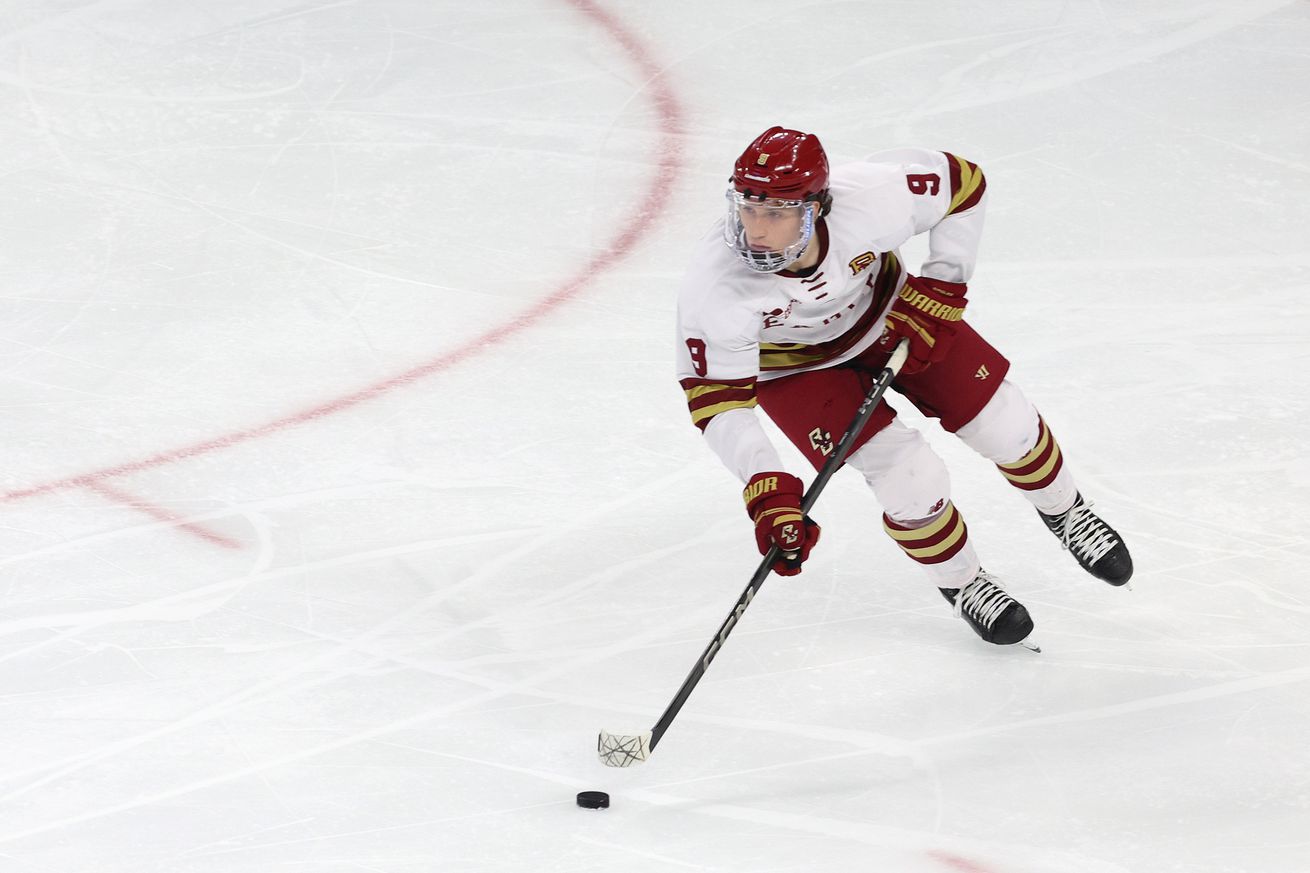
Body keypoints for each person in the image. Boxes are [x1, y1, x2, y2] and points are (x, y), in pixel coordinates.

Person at [674, 126, 1133, 647]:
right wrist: (767, 487)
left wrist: (943, 284)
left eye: (776, 214)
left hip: (894, 318)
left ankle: (1065, 511)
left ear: (819, 208)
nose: (755, 231)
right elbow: (717, 400)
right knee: (910, 480)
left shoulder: (870, 198)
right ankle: (964, 584)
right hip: (798, 370)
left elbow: (962, 183)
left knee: (1006, 425)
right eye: (748, 210)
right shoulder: (715, 288)